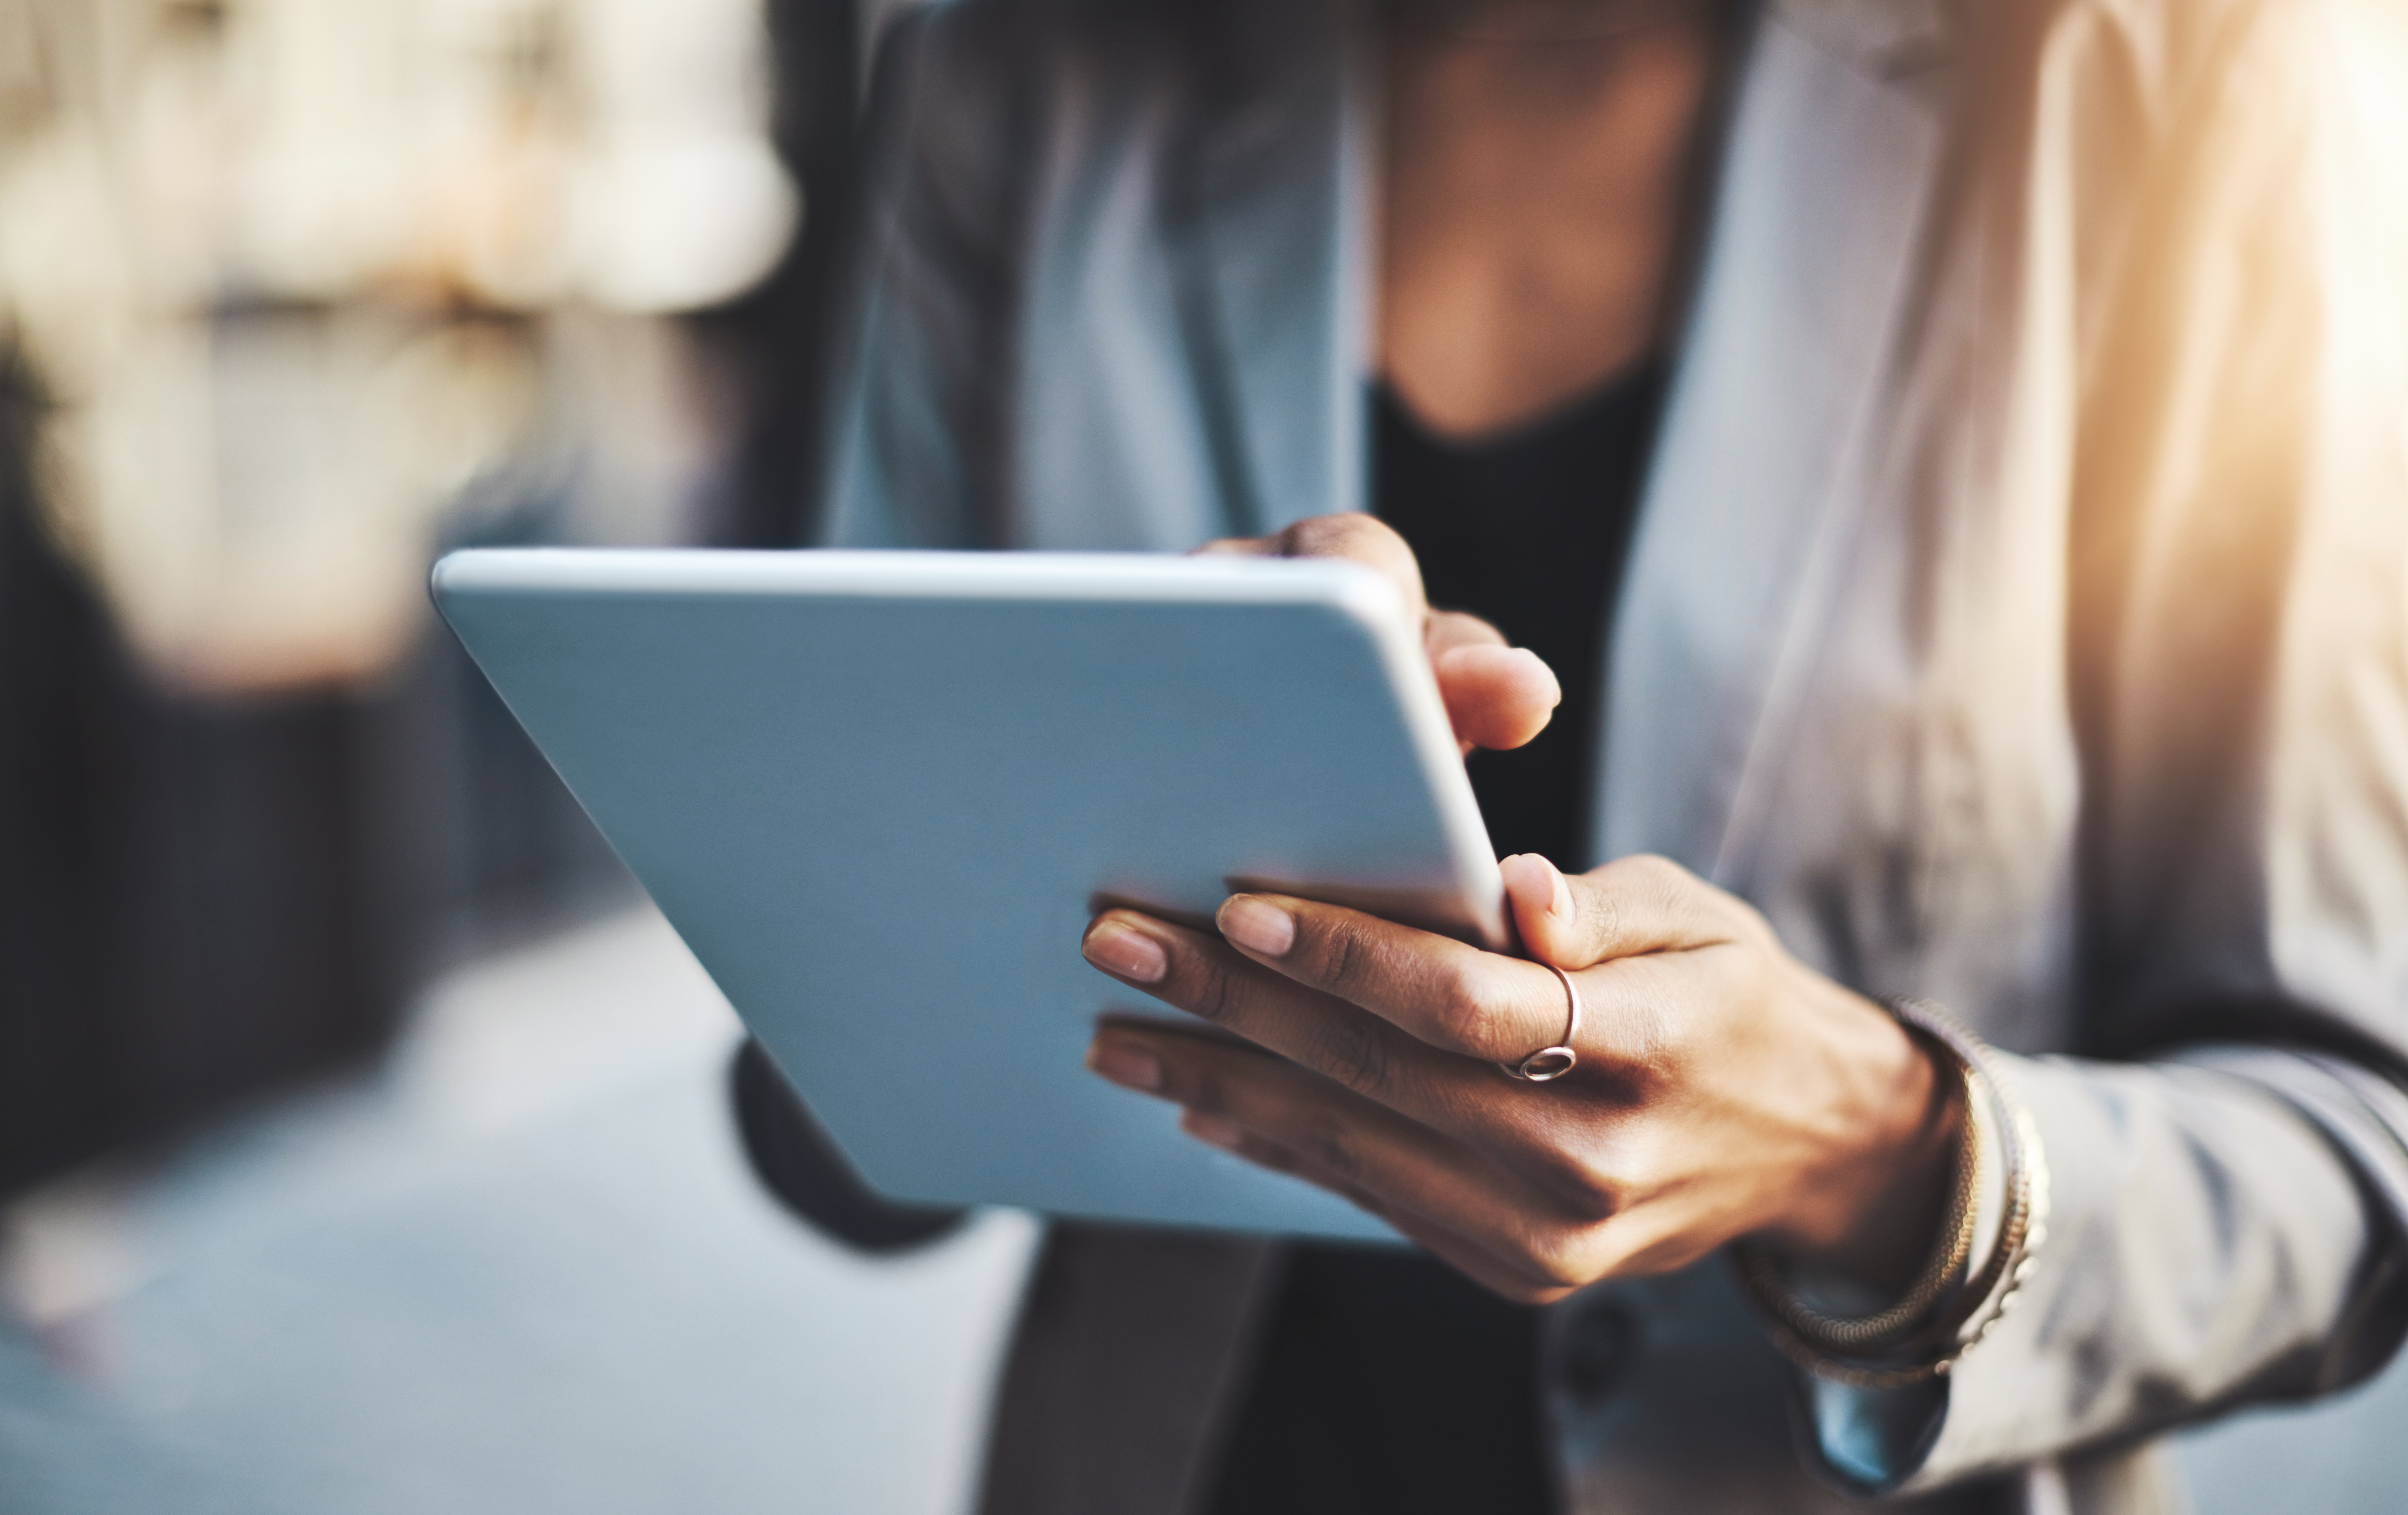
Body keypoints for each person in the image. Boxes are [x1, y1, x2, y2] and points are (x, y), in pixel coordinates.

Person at [755, 0, 2408, 1509]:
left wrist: (1874, 1145)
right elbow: (822, 1127)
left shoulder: (2169, 78)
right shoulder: (1019, 73)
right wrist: (1048, 815)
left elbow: (2355, 1161)